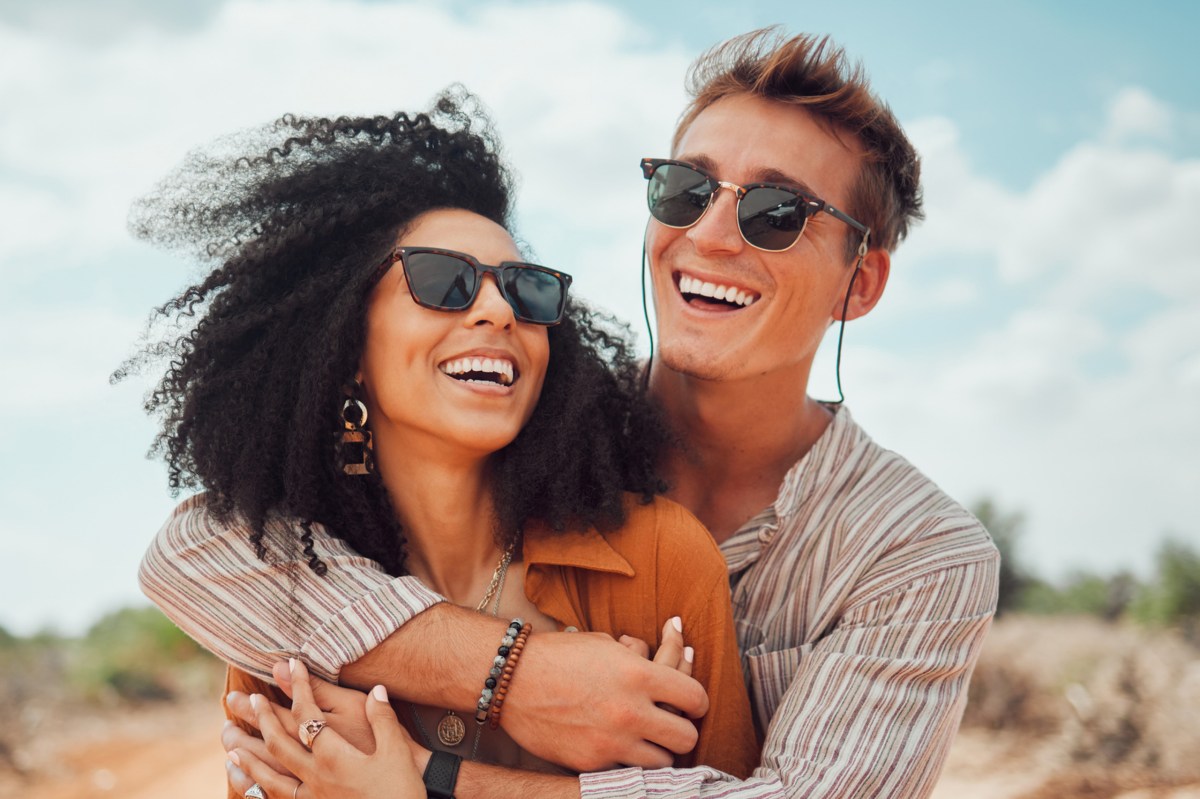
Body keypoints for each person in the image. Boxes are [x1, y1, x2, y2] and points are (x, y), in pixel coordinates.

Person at [144, 28, 1000, 799]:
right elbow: (192, 552)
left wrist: (436, 782)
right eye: (684, 188)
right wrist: (518, 676)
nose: (709, 233)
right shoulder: (522, 430)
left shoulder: (919, 557)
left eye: (777, 212)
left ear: (861, 282)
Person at [129, 91, 757, 798]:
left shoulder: (659, 564)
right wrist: (518, 683)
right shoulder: (286, 611)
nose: (496, 308)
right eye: (443, 280)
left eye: (527, 290)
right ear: (346, 349)